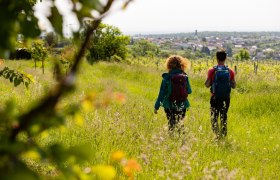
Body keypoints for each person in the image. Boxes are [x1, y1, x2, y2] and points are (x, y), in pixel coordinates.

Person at [154, 55, 192, 132]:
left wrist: (156, 106)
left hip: (169, 104)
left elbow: (161, 93)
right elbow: (189, 91)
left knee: (171, 124)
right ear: (182, 64)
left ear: (168, 65)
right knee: (180, 123)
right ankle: (182, 140)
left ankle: (172, 140)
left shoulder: (167, 77)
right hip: (183, 104)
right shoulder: (184, 76)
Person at [205, 50, 236, 139]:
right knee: (224, 116)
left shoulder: (212, 70)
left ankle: (215, 135)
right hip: (226, 97)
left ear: (217, 58)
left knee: (214, 116)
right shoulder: (230, 71)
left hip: (214, 97)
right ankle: (223, 135)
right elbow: (234, 86)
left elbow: (207, 85)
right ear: (225, 58)